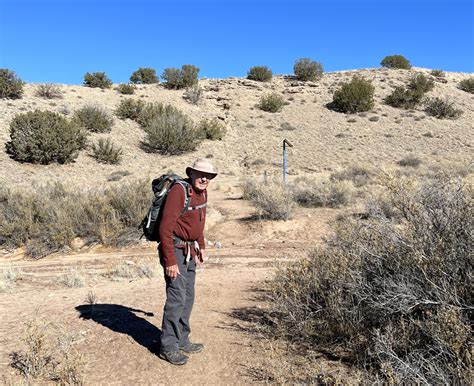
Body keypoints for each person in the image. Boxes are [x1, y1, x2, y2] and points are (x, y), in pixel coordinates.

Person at [158, 158, 217, 365]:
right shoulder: (179, 192)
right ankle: (168, 346)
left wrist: (201, 246)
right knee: (176, 297)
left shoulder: (202, 192)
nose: (204, 178)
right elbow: (165, 228)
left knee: (188, 296)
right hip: (175, 249)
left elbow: (199, 222)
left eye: (208, 176)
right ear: (190, 173)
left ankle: (182, 339)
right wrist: (170, 261)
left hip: (190, 250)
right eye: (200, 174)